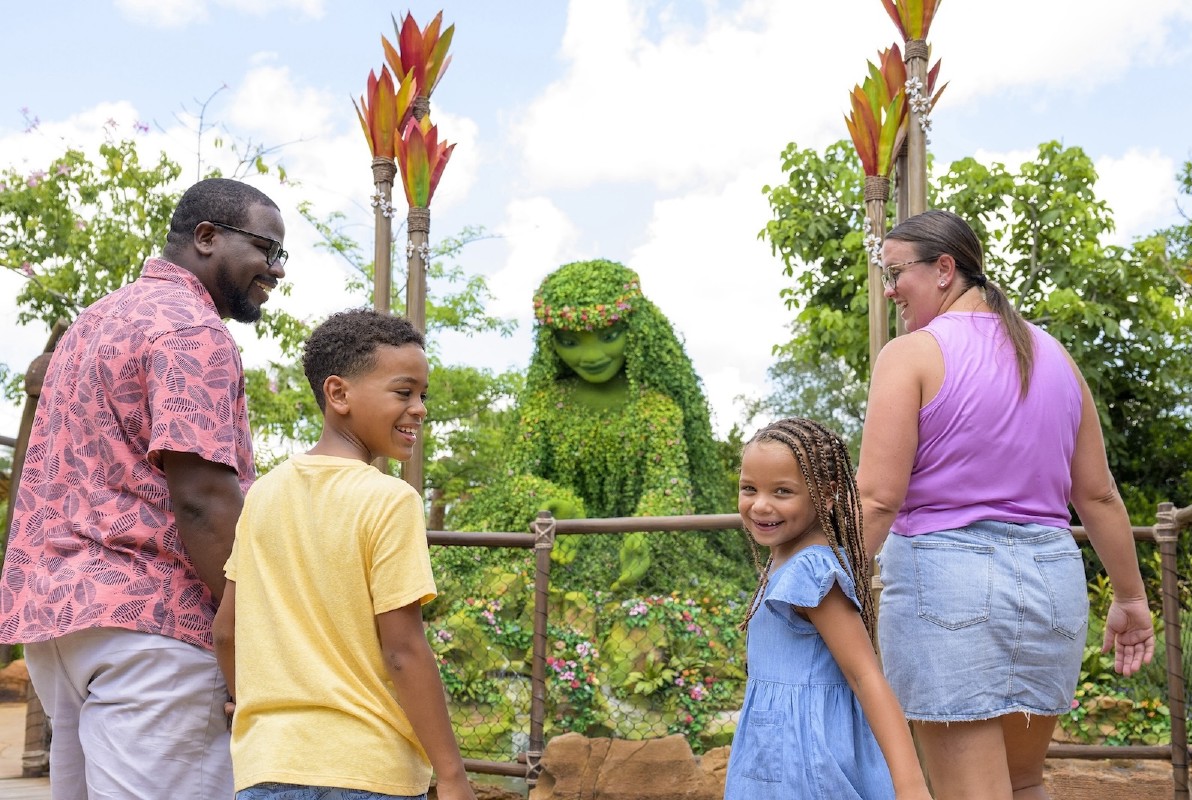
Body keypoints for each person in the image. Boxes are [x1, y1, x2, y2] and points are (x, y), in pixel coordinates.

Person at [0, 177, 286, 798]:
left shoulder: (94, 322)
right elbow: (204, 500)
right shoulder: (193, 331)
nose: (276, 270)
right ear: (207, 237)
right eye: (267, 248)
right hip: (154, 630)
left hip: (58, 624)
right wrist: (259, 634)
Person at [857, 209, 1155, 799]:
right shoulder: (1055, 357)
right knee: (1023, 785)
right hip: (1052, 586)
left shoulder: (910, 354)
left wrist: (822, 581)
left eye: (896, 273)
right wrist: (1131, 598)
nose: (890, 289)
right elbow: (1097, 495)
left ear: (944, 269)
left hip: (947, 585)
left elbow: (877, 497)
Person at [213, 309, 476, 800]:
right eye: (404, 392)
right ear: (339, 394)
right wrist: (454, 776)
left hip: (268, 767)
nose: (419, 408)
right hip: (369, 771)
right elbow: (403, 651)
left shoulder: (264, 495)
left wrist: (256, 712)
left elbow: (226, 631)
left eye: (423, 395)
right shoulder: (390, 500)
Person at [451, 259, 741, 591]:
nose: (591, 355)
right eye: (571, 342)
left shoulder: (658, 410)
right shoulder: (544, 404)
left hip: (638, 568)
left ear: (636, 331)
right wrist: (560, 503)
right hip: (552, 552)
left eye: (609, 336)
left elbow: (669, 486)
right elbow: (518, 477)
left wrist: (644, 531)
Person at [724, 418, 931, 800]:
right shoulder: (784, 559)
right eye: (748, 488)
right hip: (777, 754)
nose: (761, 505)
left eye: (782, 491)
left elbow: (865, 676)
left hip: (806, 763)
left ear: (826, 494)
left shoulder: (811, 571)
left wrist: (910, 787)